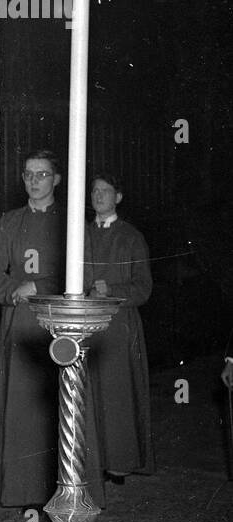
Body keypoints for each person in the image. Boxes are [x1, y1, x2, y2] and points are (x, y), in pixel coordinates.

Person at [0, 149, 105, 508]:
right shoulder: (9, 221)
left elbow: (84, 273)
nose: (34, 181)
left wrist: (39, 286)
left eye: (42, 174)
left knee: (58, 405)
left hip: (59, 325)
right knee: (22, 406)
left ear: (57, 180)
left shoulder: (69, 224)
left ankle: (66, 486)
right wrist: (12, 293)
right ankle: (22, 490)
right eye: (28, 174)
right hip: (20, 323)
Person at [85, 173, 155, 482]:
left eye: (105, 191)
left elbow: (143, 288)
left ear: (119, 197)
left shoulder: (131, 237)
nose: (98, 196)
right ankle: (89, 461)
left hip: (119, 326)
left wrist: (111, 290)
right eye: (94, 191)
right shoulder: (80, 234)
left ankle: (118, 462)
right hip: (86, 323)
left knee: (116, 396)